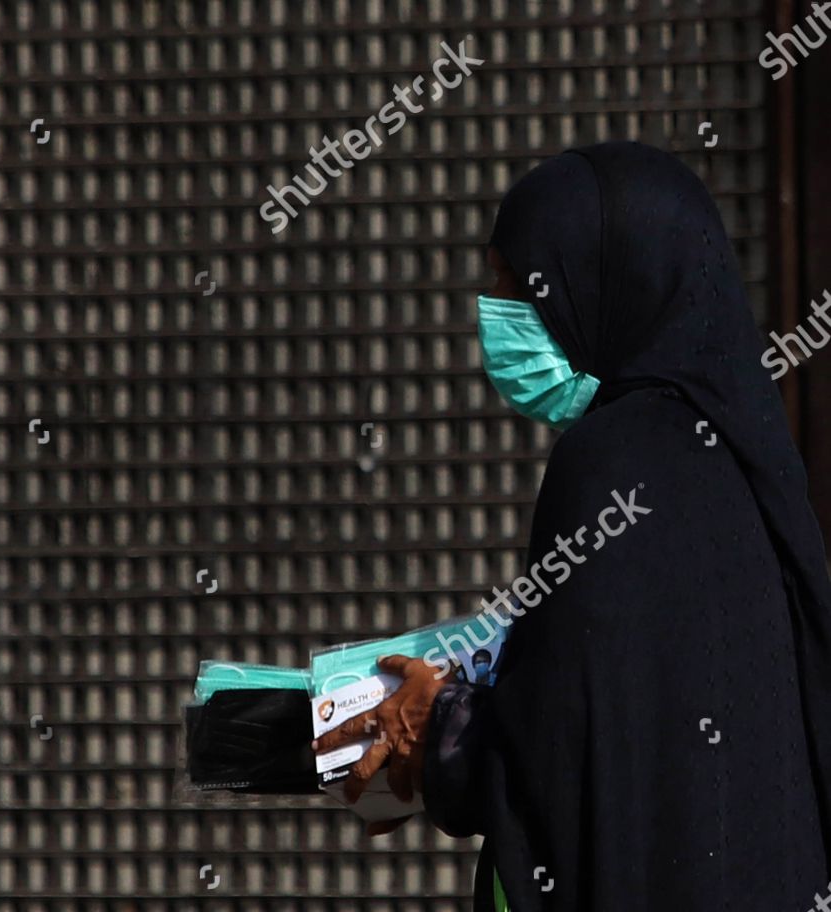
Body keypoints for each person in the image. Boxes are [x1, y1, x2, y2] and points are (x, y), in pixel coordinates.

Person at [313, 142, 831, 910]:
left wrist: (438, 728)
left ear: (601, 285)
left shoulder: (612, 460)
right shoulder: (745, 463)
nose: (495, 313)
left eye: (513, 284)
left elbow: (561, 754)